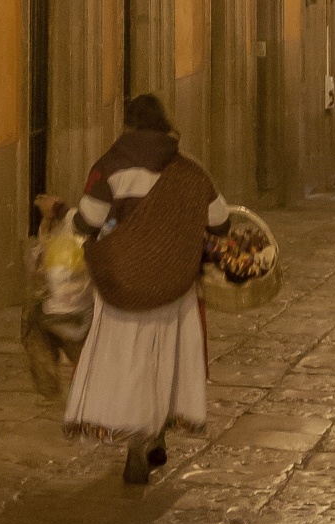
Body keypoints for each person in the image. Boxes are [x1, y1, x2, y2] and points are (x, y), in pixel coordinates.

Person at [63, 94, 228, 484]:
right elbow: (220, 224)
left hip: (121, 288)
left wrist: (63, 217)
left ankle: (136, 444)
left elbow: (86, 224)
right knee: (164, 364)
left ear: (129, 126)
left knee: (130, 365)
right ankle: (153, 437)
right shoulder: (190, 172)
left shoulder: (109, 169)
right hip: (174, 290)